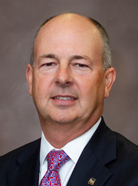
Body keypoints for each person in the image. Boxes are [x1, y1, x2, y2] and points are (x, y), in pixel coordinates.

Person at [0, 13, 138, 186]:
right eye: (49, 64)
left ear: (106, 82)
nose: (63, 77)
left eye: (80, 65)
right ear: (31, 79)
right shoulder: (4, 171)